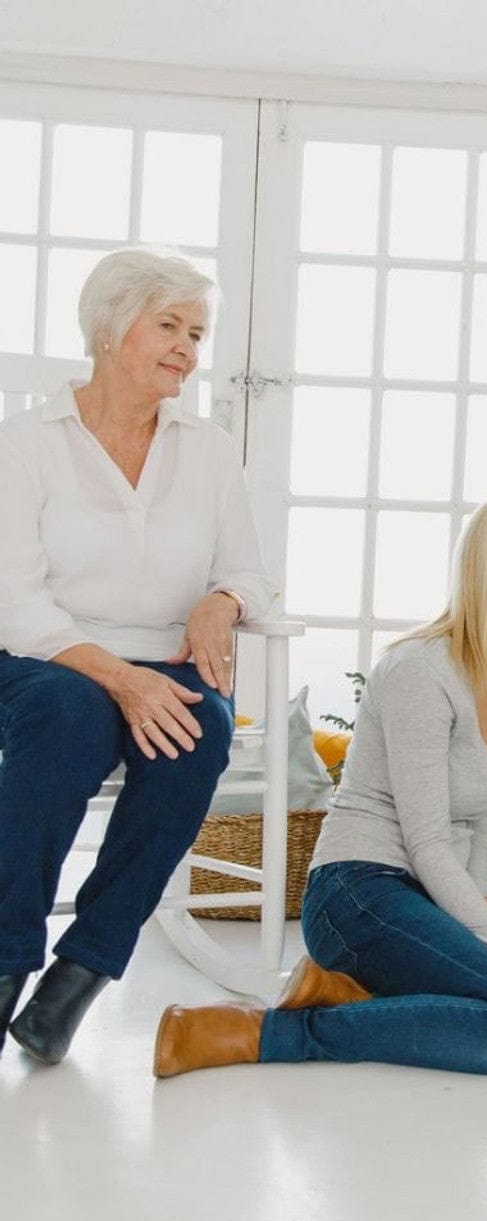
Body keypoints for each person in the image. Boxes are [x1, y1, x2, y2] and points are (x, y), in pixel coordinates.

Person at [153, 494, 487, 1078]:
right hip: (360, 894)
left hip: (427, 898)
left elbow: (478, 814)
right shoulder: (419, 671)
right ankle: (266, 1031)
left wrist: (477, 908)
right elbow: (426, 844)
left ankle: (354, 996)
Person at [0, 248, 274, 1065]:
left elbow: (250, 571)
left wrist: (220, 602)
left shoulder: (211, 450)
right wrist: (119, 679)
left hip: (170, 658)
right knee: (70, 719)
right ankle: (9, 956)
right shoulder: (27, 442)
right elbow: (13, 596)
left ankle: (82, 970)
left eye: (197, 333)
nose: (189, 348)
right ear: (111, 326)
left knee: (199, 732)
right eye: (170, 326)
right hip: (46, 658)